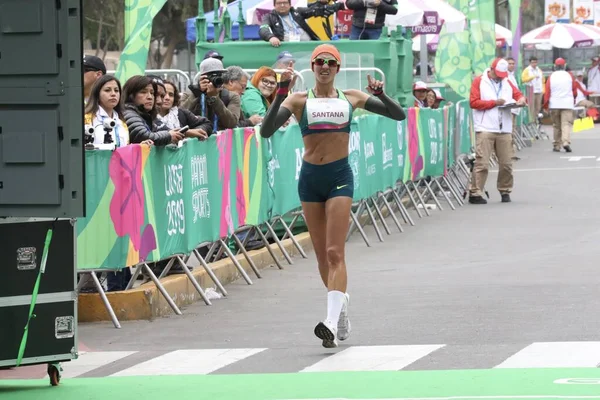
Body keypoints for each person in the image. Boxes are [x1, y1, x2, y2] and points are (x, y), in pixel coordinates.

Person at [260, 44, 406, 348]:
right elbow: (266, 131)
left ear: (337, 69)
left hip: (339, 178)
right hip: (310, 180)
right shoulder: (299, 100)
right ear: (312, 67)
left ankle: (328, 320)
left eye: (330, 62)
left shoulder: (351, 97)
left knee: (334, 252)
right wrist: (281, 94)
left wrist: (380, 94)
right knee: (321, 258)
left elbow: (398, 114)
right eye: (319, 62)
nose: (324, 66)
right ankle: (340, 311)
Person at [469, 58, 527, 204]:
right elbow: (473, 102)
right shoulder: (479, 81)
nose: (501, 77)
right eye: (499, 74)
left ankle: (505, 190)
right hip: (485, 127)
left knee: (506, 163)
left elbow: (518, 94)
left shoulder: (507, 80)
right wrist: (494, 103)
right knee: (482, 163)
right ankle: (475, 192)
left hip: (504, 127)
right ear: (492, 69)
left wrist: (521, 100)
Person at [543, 58, 577, 153]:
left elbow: (547, 92)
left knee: (556, 125)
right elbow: (574, 90)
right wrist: (573, 99)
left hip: (554, 104)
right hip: (567, 103)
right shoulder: (569, 76)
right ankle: (565, 142)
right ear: (564, 65)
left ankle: (557, 145)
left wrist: (546, 105)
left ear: (555, 66)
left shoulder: (551, 76)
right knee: (566, 124)